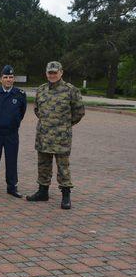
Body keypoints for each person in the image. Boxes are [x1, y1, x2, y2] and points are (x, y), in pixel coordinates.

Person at [27, 61, 85, 209]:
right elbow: (37, 110)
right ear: (46, 73)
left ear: (61, 73)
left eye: (55, 72)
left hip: (61, 137)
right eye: (50, 73)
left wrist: (64, 124)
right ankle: (42, 192)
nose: (52, 75)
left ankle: (66, 196)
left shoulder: (70, 90)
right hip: (44, 135)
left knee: (63, 167)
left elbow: (79, 112)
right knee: (43, 165)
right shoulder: (41, 89)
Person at [0, 65, 27, 197]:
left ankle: (12, 187)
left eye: (11, 77)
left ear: (14, 79)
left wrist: (13, 124)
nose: (8, 79)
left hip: (11, 133)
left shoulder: (20, 95)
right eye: (5, 77)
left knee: (11, 160)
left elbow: (22, 113)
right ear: (1, 79)